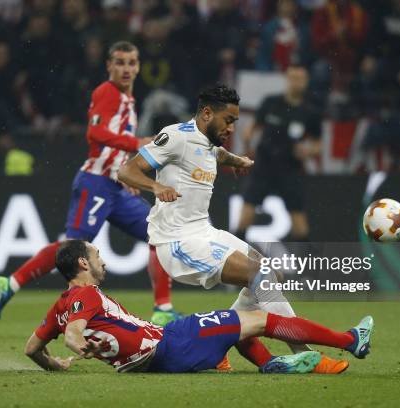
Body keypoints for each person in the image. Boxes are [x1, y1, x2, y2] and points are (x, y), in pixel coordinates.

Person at [117, 84, 351, 373]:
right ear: (205, 113)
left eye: (235, 122)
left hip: (203, 232)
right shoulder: (176, 136)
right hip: (177, 243)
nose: (231, 127)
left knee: (271, 273)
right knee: (259, 274)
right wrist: (156, 186)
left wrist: (236, 160)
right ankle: (306, 355)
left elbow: (214, 153)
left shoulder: (208, 142)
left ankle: (221, 338)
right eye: (228, 120)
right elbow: (127, 170)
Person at [0, 41, 180, 326]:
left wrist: (125, 172)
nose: (126, 68)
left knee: (161, 233)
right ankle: (10, 283)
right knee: (73, 249)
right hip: (96, 183)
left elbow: (113, 142)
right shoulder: (107, 92)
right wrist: (137, 143)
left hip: (115, 186)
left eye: (131, 63)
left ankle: (163, 308)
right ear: (109, 66)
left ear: (139, 66)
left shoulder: (128, 99)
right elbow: (96, 133)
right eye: (120, 62)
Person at [24, 240, 374, 373]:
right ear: (83, 265)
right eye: (97, 255)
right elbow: (73, 333)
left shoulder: (60, 306)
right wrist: (76, 343)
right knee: (258, 318)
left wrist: (54, 365)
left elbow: (31, 348)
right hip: (169, 347)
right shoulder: (85, 295)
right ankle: (349, 340)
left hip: (164, 345)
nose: (103, 261)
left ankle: (272, 365)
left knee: (233, 325)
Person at [236, 65, 321, 242]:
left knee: (299, 224)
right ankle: (233, 262)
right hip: (264, 165)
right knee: (245, 217)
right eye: (293, 78)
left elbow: (318, 144)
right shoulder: (271, 102)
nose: (297, 82)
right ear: (287, 80)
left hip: (290, 169)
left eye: (301, 79)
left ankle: (306, 267)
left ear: (306, 82)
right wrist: (247, 139)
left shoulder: (310, 111)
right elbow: (253, 125)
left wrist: (308, 151)